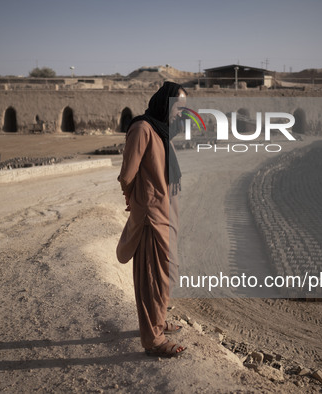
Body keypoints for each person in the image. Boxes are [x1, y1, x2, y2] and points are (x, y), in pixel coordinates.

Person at [116, 81, 187, 358]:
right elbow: (127, 175)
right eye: (178, 108)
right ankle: (153, 339)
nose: (180, 113)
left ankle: (157, 321)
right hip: (151, 218)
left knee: (167, 273)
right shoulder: (142, 129)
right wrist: (138, 203)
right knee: (152, 278)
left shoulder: (161, 132)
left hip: (166, 214)